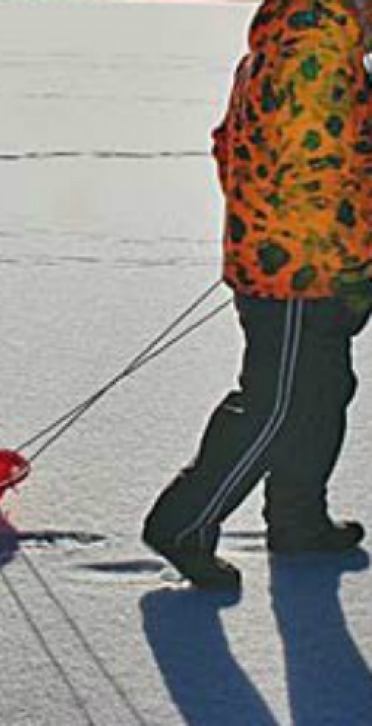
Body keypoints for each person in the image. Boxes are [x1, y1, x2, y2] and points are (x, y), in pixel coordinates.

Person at [143, 0, 372, 590]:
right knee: (276, 405)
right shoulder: (315, 55)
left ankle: (297, 520)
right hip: (297, 273)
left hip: (292, 264)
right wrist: (348, 267)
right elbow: (316, 180)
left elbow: (228, 146)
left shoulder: (294, 43)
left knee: (321, 393)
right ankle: (184, 523)